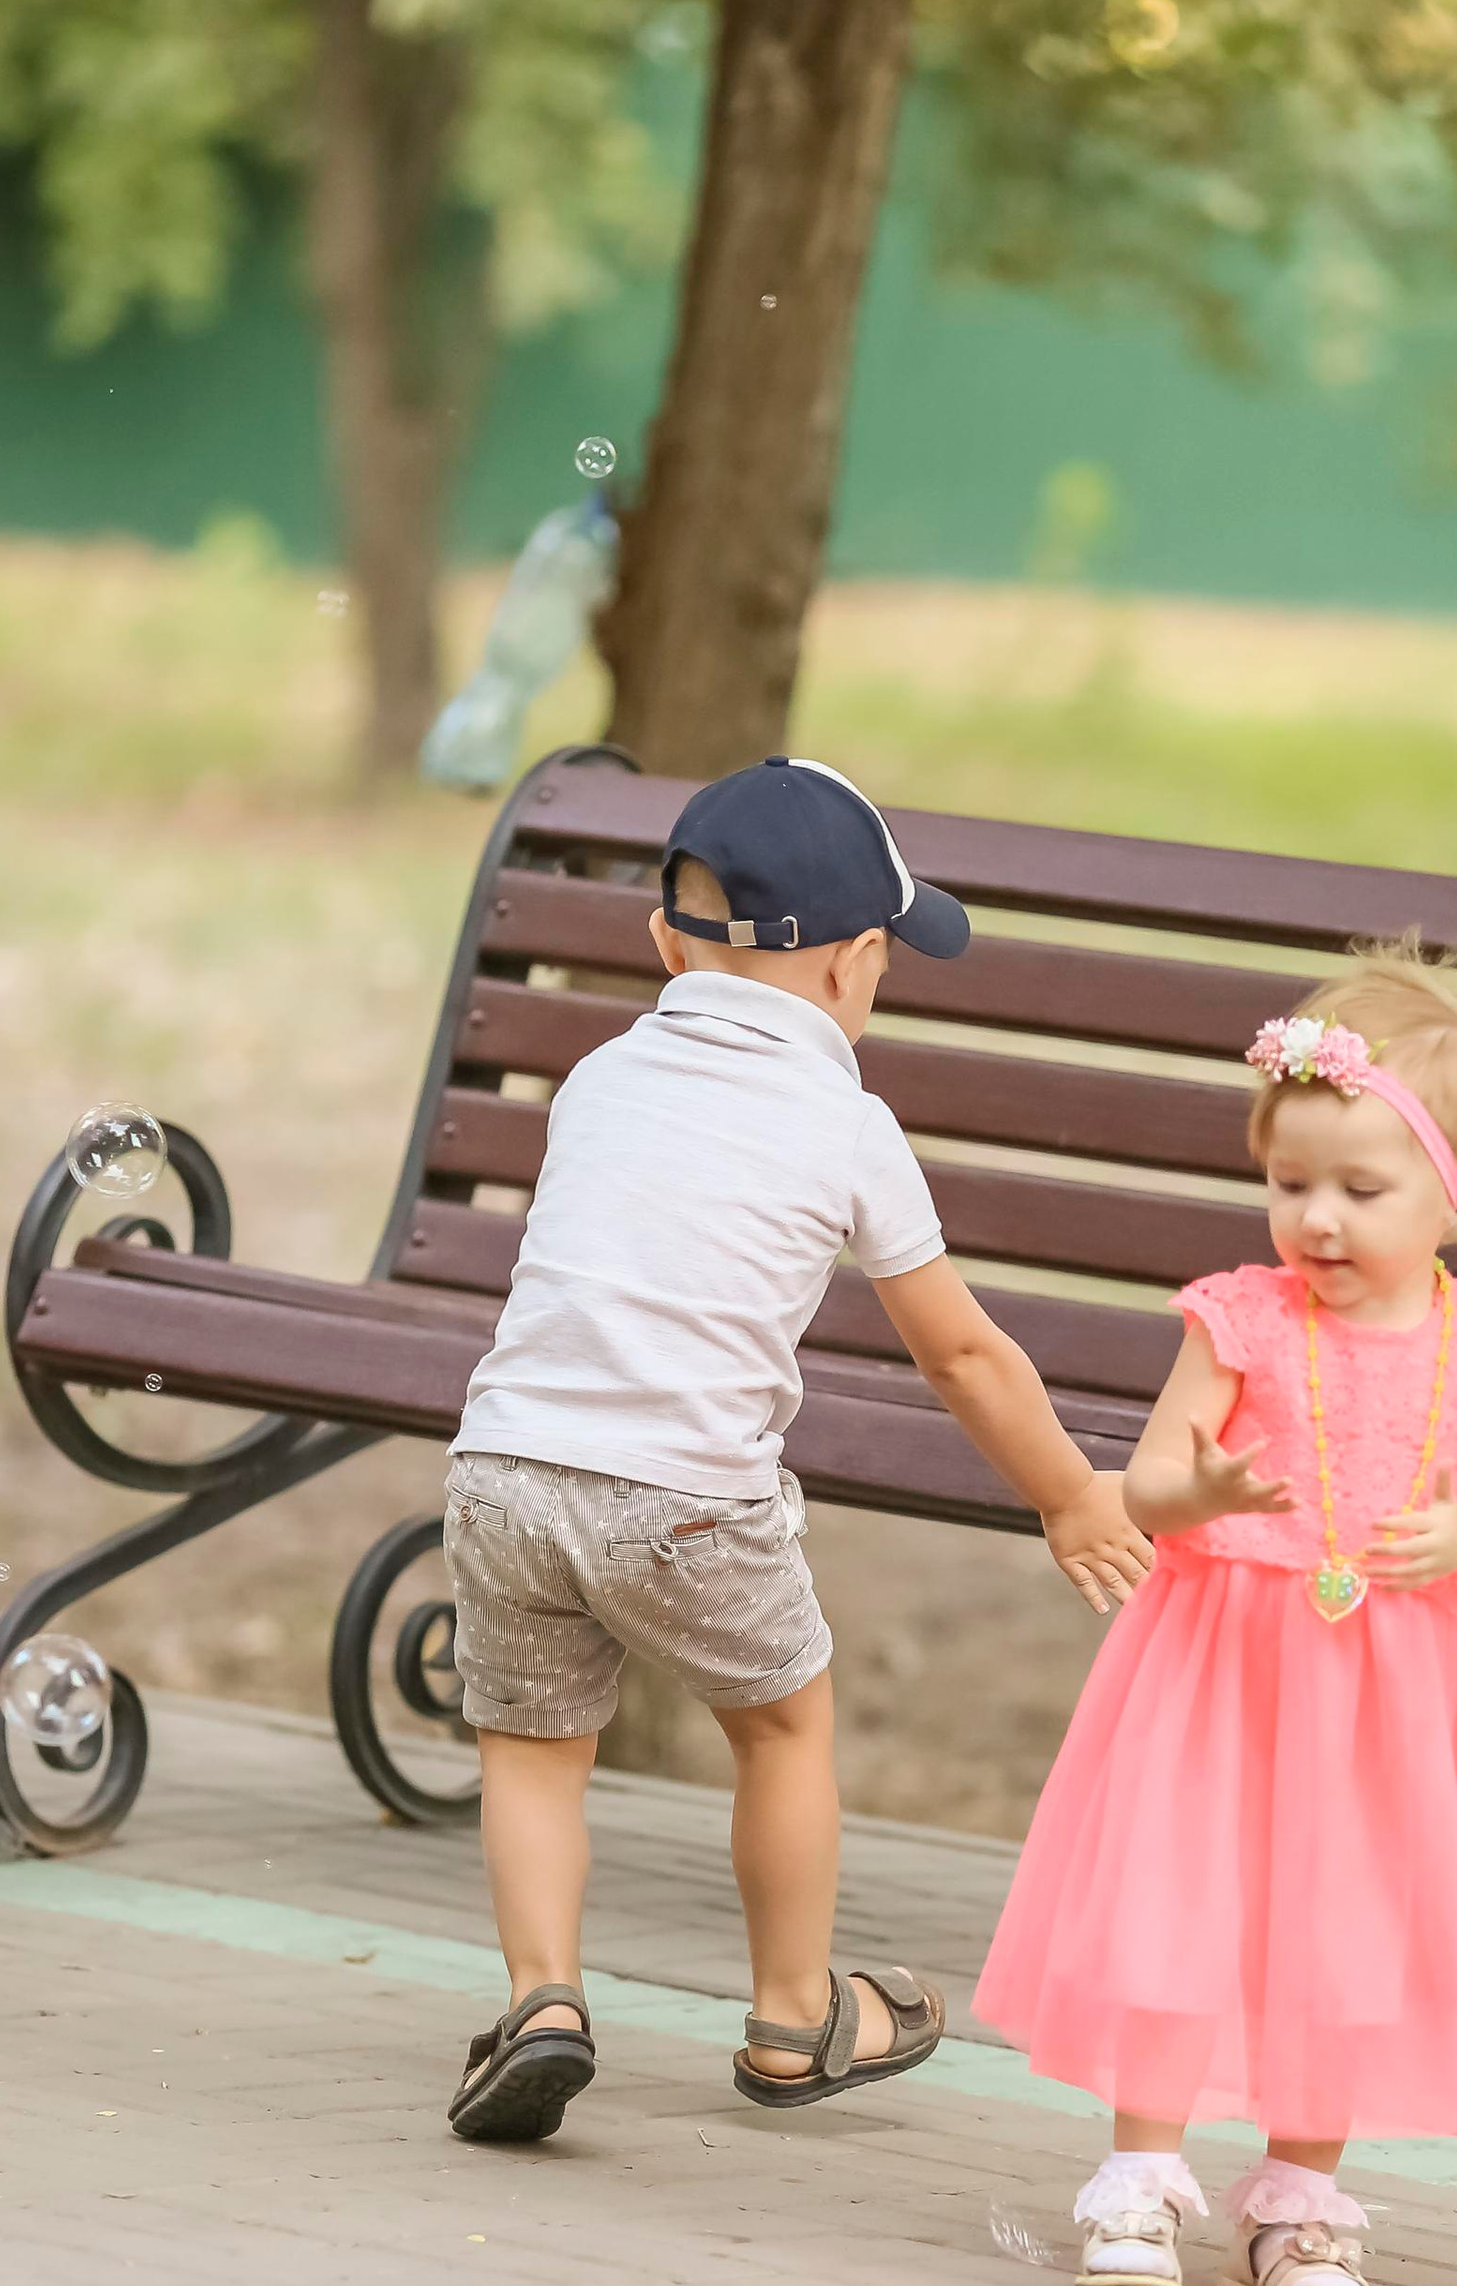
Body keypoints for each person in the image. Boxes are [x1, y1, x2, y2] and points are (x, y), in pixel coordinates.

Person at [440, 753, 1151, 2143]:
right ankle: (791, 2016)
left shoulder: (597, 1079)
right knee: (781, 1726)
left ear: (666, 944)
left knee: (530, 1746)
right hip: (688, 1499)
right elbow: (961, 1354)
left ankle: (543, 2002)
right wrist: (1069, 1495)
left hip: (507, 1468)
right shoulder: (846, 1123)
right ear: (850, 964)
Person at [973, 951, 1457, 2286]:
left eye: (1361, 1190)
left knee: (1344, 1929)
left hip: (1394, 1694)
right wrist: (1202, 1493)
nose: (1318, 1218)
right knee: (1177, 1904)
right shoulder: (1242, 1316)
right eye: (1291, 1182)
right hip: (1225, 1669)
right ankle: (1140, 2178)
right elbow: (1147, 1482)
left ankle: (1298, 2206)